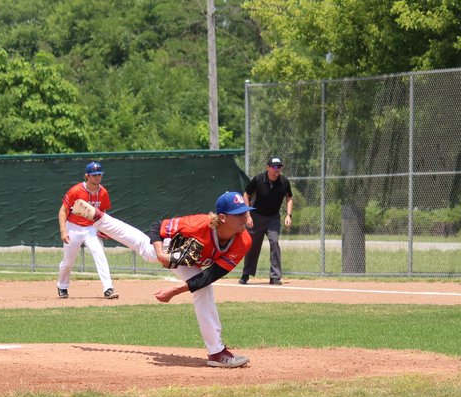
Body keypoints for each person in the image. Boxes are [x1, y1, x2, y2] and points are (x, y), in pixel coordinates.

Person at [71, 191, 254, 368]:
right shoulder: (196, 225)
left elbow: (209, 276)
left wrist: (173, 291)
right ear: (222, 218)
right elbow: (157, 227)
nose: (244, 217)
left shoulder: (243, 241)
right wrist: (161, 254)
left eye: (245, 212)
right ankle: (100, 218)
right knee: (147, 249)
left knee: (203, 288)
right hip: (169, 248)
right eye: (238, 214)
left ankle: (216, 352)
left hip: (189, 261)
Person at [58, 161, 119, 299]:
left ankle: (108, 288)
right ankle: (62, 286)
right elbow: (63, 210)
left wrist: (103, 227)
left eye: (99, 174)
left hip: (92, 228)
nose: (97, 177)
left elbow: (102, 211)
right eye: (94, 175)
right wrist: (63, 230)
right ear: (87, 176)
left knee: (100, 255)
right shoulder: (75, 191)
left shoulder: (103, 192)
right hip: (73, 227)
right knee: (68, 261)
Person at [240, 156, 293, 285]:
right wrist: (248, 215)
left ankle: (275, 276)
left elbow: (289, 197)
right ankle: (246, 274)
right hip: (256, 217)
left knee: (274, 242)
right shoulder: (258, 180)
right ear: (268, 168)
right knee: (252, 246)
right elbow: (246, 194)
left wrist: (288, 215)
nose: (277, 170)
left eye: (279, 167)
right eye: (274, 167)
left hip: (273, 218)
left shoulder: (284, 182)